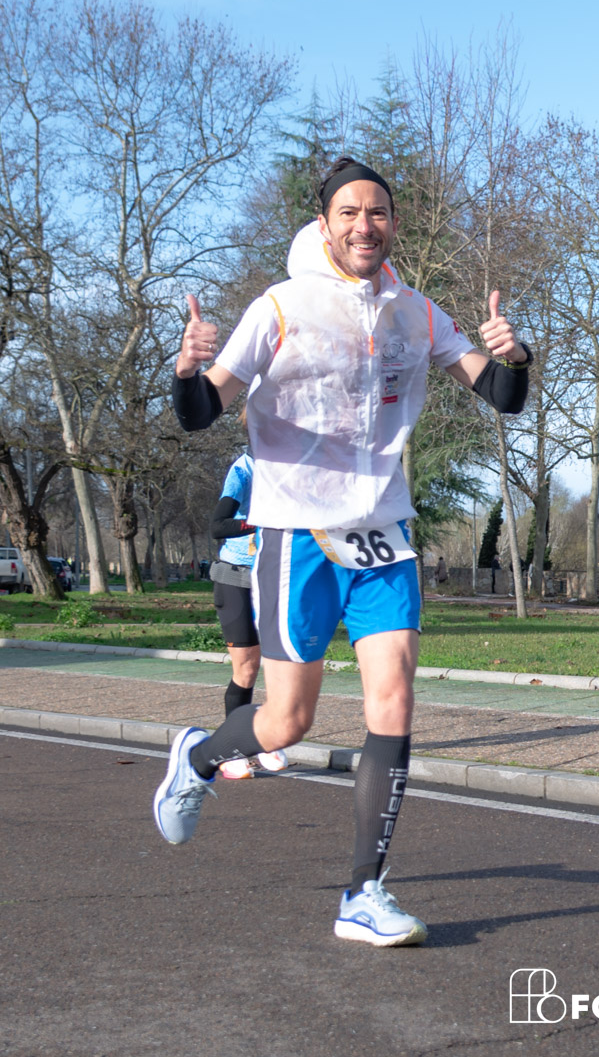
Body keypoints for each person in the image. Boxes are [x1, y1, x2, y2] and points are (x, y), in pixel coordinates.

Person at [153, 156, 532, 947]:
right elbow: (200, 410)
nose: (366, 225)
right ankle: (198, 757)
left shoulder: (415, 311)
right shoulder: (280, 307)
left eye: (379, 212)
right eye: (350, 213)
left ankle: (364, 892)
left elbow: (499, 395)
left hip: (383, 533)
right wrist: (185, 369)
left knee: (393, 702)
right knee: (286, 721)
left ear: (394, 224)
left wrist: (515, 357)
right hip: (296, 533)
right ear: (324, 223)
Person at [209, 450, 288, 779]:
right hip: (236, 578)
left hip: (273, 576)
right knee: (246, 668)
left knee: (280, 664)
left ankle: (265, 737)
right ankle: (232, 750)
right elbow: (218, 526)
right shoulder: (243, 470)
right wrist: (258, 521)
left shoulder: (293, 465)